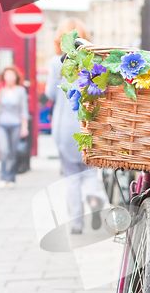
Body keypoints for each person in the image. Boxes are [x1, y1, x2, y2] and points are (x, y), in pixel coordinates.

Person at [45, 17, 109, 235]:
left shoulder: (57, 62)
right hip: (88, 122)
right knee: (90, 170)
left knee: (71, 176)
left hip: (64, 126)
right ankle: (94, 199)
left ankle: (77, 223)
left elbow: (49, 94)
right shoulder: (92, 62)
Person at [0, 66, 28, 188]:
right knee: (4, 150)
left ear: (16, 77)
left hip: (16, 124)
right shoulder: (0, 89)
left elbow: (24, 110)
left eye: (11, 75)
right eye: (7, 75)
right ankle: (3, 177)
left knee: (13, 152)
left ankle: (11, 177)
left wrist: (24, 126)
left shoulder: (20, 91)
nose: (9, 77)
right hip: (1, 123)